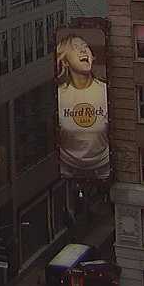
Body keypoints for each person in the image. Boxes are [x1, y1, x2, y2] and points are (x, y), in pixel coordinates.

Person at [56, 33, 109, 179]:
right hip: (67, 169)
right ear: (65, 61)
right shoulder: (59, 95)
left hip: (104, 168)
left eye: (85, 47)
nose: (83, 50)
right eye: (76, 48)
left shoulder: (106, 91)